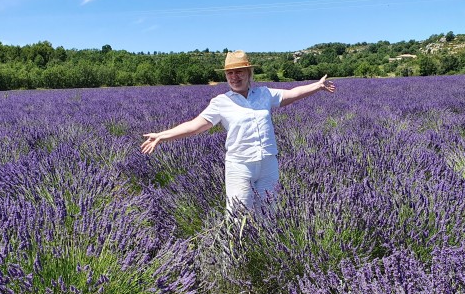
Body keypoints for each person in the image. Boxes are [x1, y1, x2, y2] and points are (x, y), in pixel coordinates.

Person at [141, 50, 335, 212]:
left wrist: (317, 86)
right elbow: (194, 126)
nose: (234, 77)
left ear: (249, 73)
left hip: (268, 164)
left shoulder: (264, 94)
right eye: (230, 73)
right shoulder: (221, 102)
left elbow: (292, 94)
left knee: (268, 213)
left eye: (239, 72)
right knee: (237, 216)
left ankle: (264, 256)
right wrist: (162, 136)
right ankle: (235, 257)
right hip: (240, 166)